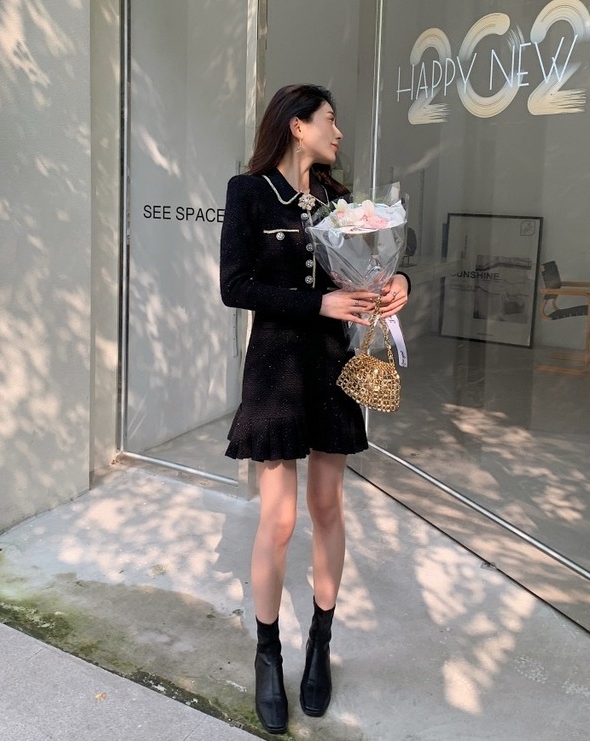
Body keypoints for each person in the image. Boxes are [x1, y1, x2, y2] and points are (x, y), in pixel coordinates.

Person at [219, 84, 410, 734]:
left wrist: (396, 281)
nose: (339, 132)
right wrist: (317, 303)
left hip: (331, 367)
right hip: (276, 370)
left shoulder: (338, 200)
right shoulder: (249, 192)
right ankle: (268, 654)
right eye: (331, 120)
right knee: (277, 520)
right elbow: (234, 285)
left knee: (327, 506)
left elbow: (376, 261)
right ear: (297, 125)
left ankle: (320, 642)